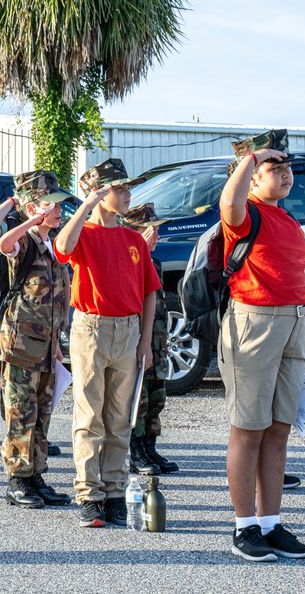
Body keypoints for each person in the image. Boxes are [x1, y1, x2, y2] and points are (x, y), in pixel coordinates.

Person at [218, 129, 305, 562]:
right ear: (252, 177)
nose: (285, 174)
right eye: (273, 168)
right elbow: (228, 203)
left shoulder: (290, 221)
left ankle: (270, 522)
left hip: (294, 323)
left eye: (287, 168)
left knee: (279, 429)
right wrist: (253, 155)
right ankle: (244, 526)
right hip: (255, 324)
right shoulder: (246, 214)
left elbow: (301, 283)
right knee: (249, 427)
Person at [54, 158, 159, 528]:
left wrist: (145, 342)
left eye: (128, 187)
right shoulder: (83, 233)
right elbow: (62, 247)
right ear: (99, 194)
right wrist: (86, 205)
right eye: (118, 188)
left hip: (128, 330)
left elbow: (149, 293)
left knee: (119, 418)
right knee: (89, 415)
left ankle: (114, 490)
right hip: (91, 328)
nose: (127, 193)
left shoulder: (133, 239)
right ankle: (89, 493)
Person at [0, 171, 74, 509]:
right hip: (21, 345)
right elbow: (1, 244)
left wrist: (58, 343)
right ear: (33, 208)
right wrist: (30, 222)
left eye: (59, 206)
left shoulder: (54, 247)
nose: (58, 211)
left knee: (42, 413)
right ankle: (17, 479)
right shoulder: (26, 242)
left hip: (46, 346)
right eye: (51, 206)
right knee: (21, 413)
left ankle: (36, 475)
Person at [119, 203, 180, 476]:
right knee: (138, 398)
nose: (156, 237)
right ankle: (135, 451)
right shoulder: (125, 259)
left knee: (156, 395)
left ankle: (149, 446)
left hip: (156, 340)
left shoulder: (152, 261)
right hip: (137, 340)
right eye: (150, 231)